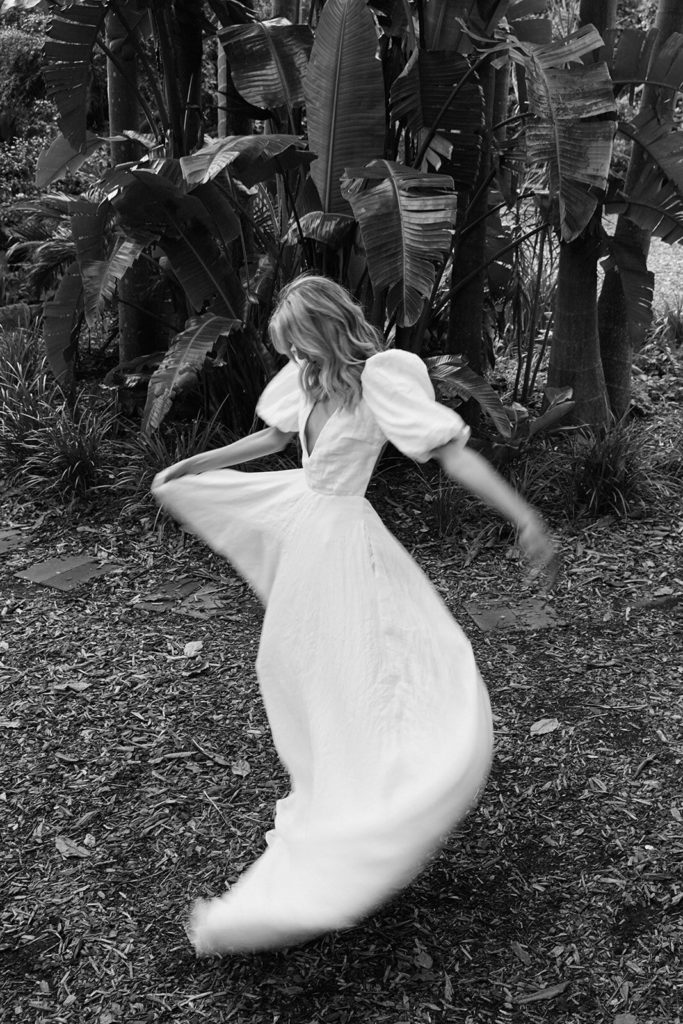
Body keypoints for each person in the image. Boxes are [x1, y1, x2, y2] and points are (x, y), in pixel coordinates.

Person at [152, 274, 556, 956]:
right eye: (289, 349)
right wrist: (195, 463)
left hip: (347, 543)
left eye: (301, 344)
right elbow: (273, 440)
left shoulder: (381, 380)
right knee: (296, 666)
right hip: (307, 532)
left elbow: (453, 457)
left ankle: (388, 793)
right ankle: (335, 784)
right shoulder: (307, 378)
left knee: (371, 665)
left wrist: (524, 518)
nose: (295, 358)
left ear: (327, 329)